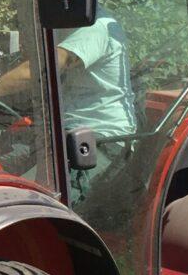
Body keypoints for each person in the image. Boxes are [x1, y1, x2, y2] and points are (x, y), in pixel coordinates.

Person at [53, 16, 135, 188]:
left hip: (100, 140)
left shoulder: (96, 27)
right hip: (62, 133)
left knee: (36, 194)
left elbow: (50, 64)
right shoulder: (59, 27)